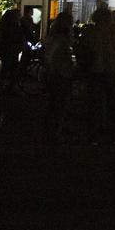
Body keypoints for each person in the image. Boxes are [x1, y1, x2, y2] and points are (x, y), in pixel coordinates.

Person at [81, 7, 115, 145]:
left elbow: (83, 51)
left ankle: (93, 136)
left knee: (94, 105)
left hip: (94, 71)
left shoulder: (89, 32)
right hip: (111, 70)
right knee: (114, 105)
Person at [43, 12, 75, 143]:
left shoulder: (54, 36)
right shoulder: (60, 39)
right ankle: (55, 132)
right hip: (60, 74)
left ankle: (55, 128)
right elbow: (51, 56)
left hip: (57, 73)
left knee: (56, 103)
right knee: (59, 104)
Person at [0, 9, 25, 92]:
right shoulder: (13, 26)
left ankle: (5, 85)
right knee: (12, 68)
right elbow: (16, 36)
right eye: (18, 15)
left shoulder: (4, 24)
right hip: (11, 49)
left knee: (6, 67)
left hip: (5, 49)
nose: (19, 17)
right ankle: (9, 87)